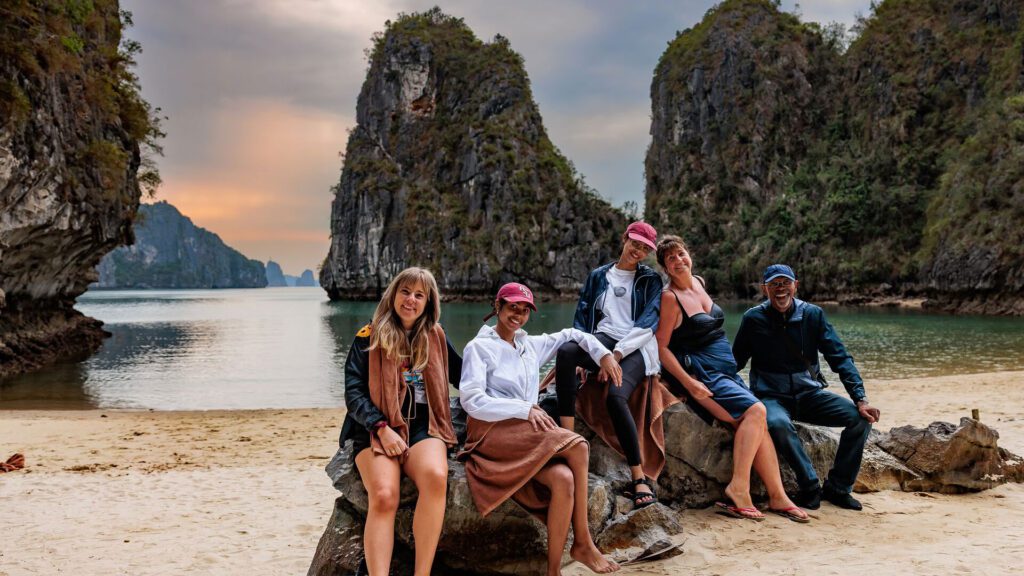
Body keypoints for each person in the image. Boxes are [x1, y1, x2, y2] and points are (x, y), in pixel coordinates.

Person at [458, 283, 620, 575]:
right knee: (579, 445)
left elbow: (573, 335)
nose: (517, 315)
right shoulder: (478, 347)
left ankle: (553, 570)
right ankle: (583, 541)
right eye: (512, 308)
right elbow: (471, 400)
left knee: (563, 479)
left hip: (524, 433)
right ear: (498, 307)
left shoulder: (529, 345)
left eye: (524, 310)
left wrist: (603, 354)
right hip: (490, 433)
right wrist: (525, 409)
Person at [655, 237, 809, 523]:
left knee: (754, 423)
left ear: (689, 254)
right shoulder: (670, 298)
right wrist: (688, 384)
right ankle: (739, 488)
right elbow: (661, 347)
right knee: (757, 410)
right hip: (704, 373)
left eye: (680, 253)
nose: (678, 261)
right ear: (665, 267)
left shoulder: (699, 281)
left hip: (725, 370)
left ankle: (778, 496)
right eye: (670, 259)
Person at [338, 267, 463, 576]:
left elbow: (468, 378)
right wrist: (381, 428)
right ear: (393, 295)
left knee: (436, 476)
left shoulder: (436, 337)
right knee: (384, 495)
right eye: (405, 292)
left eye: (419, 295)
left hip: (423, 425)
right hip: (375, 426)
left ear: (429, 302)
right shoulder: (369, 336)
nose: (411, 300)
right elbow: (353, 393)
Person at [733, 264, 881, 511]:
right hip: (771, 397)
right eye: (774, 285)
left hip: (810, 394)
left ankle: (838, 488)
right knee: (778, 424)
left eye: (785, 283)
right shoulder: (753, 319)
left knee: (859, 420)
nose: (781, 290)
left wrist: (860, 398)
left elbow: (840, 358)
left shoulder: (813, 315)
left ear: (795, 286)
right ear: (764, 289)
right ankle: (810, 486)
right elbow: (735, 362)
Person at [554, 221, 666, 508]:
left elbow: (647, 325)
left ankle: (638, 476)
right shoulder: (598, 275)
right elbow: (582, 319)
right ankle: (568, 439)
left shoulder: (650, 280)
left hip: (635, 346)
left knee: (616, 398)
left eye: (645, 248)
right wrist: (588, 351)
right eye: (635, 243)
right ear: (624, 238)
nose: (638, 251)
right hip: (601, 341)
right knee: (567, 352)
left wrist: (614, 356)